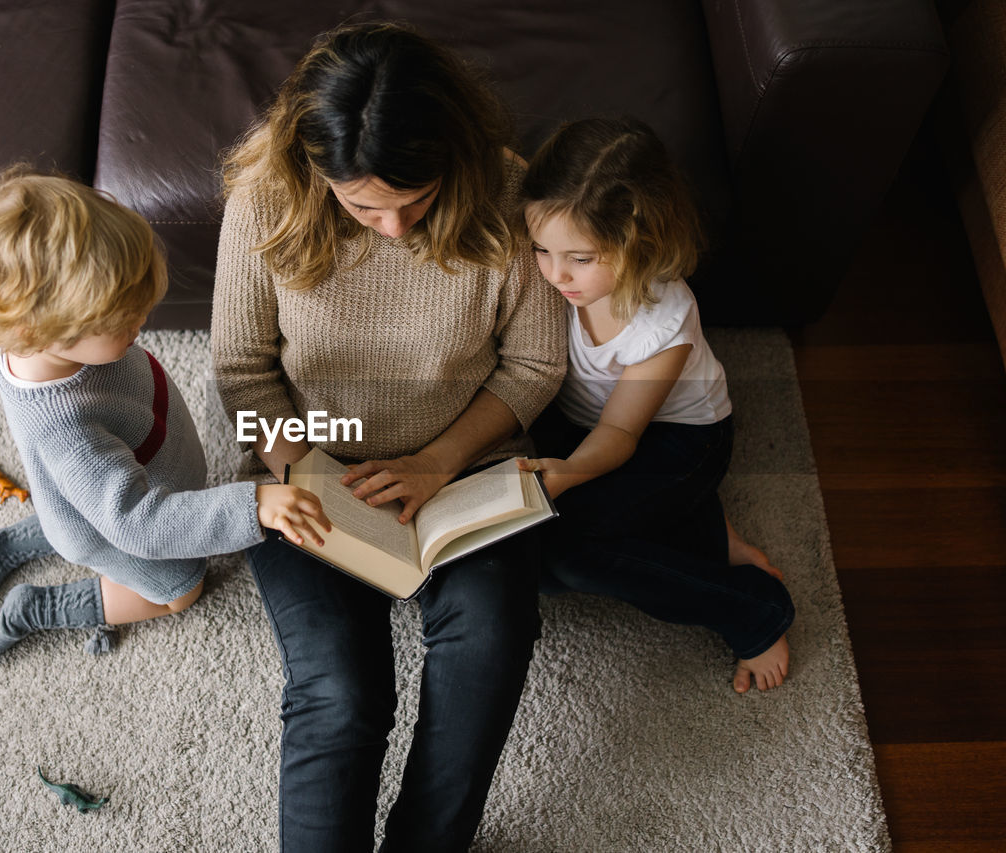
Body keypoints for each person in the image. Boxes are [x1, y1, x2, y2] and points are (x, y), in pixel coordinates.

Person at [211, 22, 566, 853]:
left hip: (462, 460)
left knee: (492, 641)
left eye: (417, 199)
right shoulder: (265, 199)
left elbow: (535, 365)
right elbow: (240, 371)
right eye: (364, 204)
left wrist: (435, 461)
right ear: (316, 172)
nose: (396, 227)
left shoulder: (508, 196)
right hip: (303, 454)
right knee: (339, 690)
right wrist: (312, 466)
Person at [0, 166, 329, 663]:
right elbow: (141, 525)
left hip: (102, 491)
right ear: (43, 334)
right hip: (126, 515)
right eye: (123, 321)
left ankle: (2, 547)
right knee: (181, 590)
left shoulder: (28, 340)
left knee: (80, 517)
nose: (142, 320)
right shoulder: (66, 428)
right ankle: (34, 608)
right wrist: (255, 506)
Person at [515, 116, 794, 693]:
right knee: (518, 540)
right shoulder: (553, 274)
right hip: (579, 421)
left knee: (565, 556)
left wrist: (566, 475)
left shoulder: (662, 322)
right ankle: (706, 528)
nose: (555, 272)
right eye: (541, 248)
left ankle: (753, 610)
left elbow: (620, 433)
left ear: (639, 241)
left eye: (581, 258)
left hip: (679, 438)